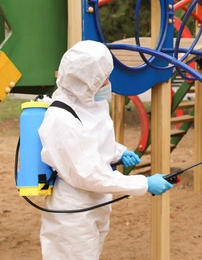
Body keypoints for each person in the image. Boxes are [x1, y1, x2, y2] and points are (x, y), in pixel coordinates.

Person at [38, 40, 173, 259]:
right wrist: (144, 183)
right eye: (102, 79)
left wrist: (118, 152)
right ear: (85, 82)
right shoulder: (60, 118)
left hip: (97, 202)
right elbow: (89, 174)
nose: (108, 82)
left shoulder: (91, 102)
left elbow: (91, 140)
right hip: (74, 213)